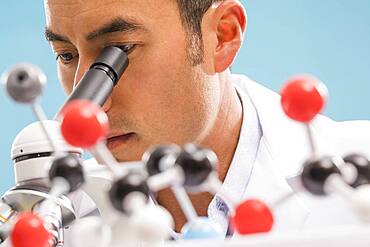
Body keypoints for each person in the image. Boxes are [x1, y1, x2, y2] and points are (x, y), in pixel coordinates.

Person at [43, 0, 370, 237]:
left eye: (120, 48)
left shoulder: (359, 179)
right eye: (66, 56)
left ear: (222, 37)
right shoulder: (53, 213)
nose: (87, 106)